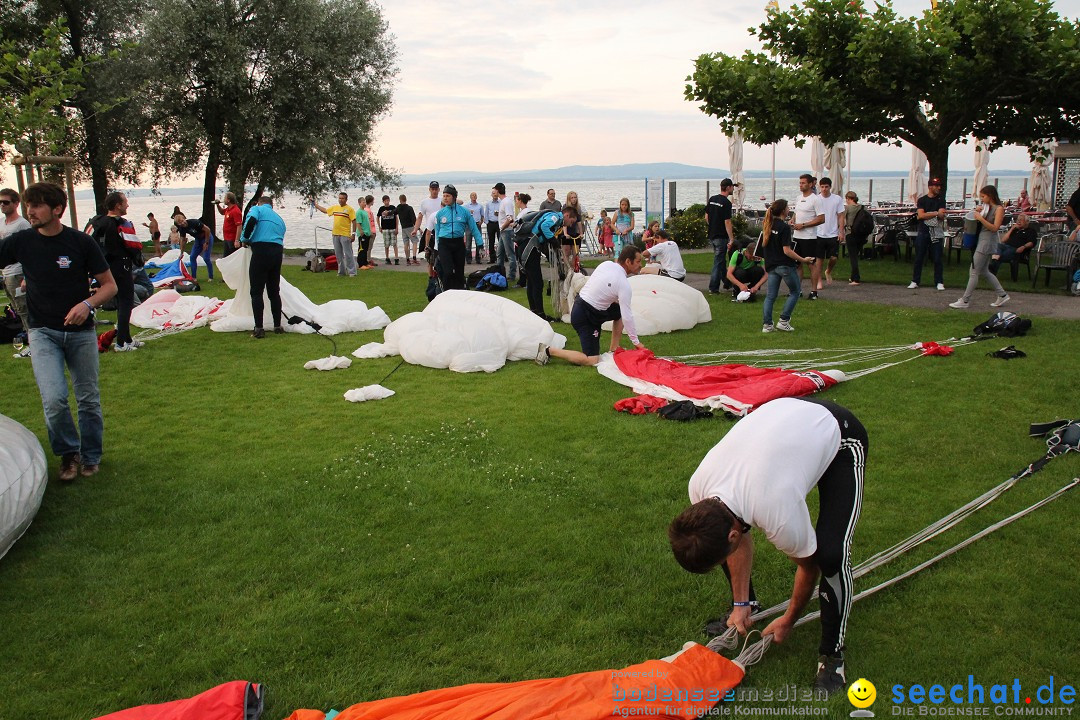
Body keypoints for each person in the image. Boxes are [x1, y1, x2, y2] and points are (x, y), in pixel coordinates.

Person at [667, 396, 868, 694]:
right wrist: (740, 605)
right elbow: (736, 535)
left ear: (733, 536)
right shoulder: (701, 487)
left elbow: (807, 567)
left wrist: (788, 619)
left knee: (831, 556)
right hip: (786, 423)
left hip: (839, 434)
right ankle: (748, 605)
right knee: (722, 543)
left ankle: (832, 654)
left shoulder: (776, 509)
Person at [0, 182, 117, 481]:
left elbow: (109, 286)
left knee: (88, 398)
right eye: (29, 205)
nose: (31, 211)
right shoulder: (22, 241)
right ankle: (68, 454)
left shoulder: (80, 242)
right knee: (53, 399)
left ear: (57, 209)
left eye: (37, 205)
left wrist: (87, 306)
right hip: (42, 332)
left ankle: (91, 456)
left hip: (80, 334)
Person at [537, 244, 645, 366]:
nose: (641, 265)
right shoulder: (623, 284)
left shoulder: (607, 264)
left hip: (586, 307)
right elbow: (628, 317)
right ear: (628, 261)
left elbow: (599, 287)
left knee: (618, 311)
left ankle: (614, 349)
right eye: (638, 261)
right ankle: (548, 350)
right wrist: (636, 343)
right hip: (585, 316)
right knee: (592, 360)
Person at [89, 192, 141, 352]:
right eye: (125, 202)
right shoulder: (122, 224)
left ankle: (128, 339)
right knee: (126, 303)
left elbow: (86, 242)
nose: (127, 205)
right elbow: (135, 247)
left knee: (121, 303)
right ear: (118, 205)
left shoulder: (95, 222)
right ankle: (120, 343)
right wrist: (138, 262)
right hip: (121, 268)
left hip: (100, 269)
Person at [950, 185, 1010, 309]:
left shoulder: (999, 209)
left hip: (987, 241)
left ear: (990, 195)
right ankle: (1002, 294)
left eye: (983, 196)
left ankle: (965, 300)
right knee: (984, 271)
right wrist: (977, 212)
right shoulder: (987, 208)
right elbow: (976, 222)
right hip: (982, 239)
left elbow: (995, 227)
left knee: (974, 271)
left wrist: (981, 218)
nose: (982, 199)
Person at [761, 198, 814, 332]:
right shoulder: (784, 227)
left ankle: (767, 325)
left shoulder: (768, 224)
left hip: (771, 265)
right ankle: (784, 320)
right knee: (795, 291)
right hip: (784, 265)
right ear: (784, 210)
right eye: (788, 207)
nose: (789, 209)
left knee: (771, 295)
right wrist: (803, 260)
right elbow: (787, 250)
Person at [516, 205, 577, 318]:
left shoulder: (555, 219)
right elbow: (544, 227)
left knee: (532, 281)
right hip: (529, 248)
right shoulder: (555, 217)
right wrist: (554, 241)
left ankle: (534, 312)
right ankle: (540, 314)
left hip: (526, 247)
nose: (571, 224)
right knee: (537, 283)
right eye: (572, 221)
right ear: (567, 215)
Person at [239, 196, 287, 338]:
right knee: (274, 291)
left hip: (261, 250)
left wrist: (244, 239)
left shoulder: (256, 209)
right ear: (271, 205)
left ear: (260, 203)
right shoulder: (279, 219)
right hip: (277, 252)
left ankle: (259, 328)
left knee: (256, 291)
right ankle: (277, 325)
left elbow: (251, 221)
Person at [433, 184, 483, 291]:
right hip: (444, 244)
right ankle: (446, 294)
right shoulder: (440, 213)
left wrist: (480, 244)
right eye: (444, 196)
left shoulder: (464, 212)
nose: (445, 198)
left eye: (448, 196)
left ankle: (460, 294)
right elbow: (437, 232)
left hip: (458, 244)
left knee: (459, 272)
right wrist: (437, 248)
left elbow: (474, 228)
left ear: (454, 197)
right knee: (448, 272)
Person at [1, 188, 32, 357]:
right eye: (0, 202)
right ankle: (29, 340)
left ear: (16, 203)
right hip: (6, 274)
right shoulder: (1, 223)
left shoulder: (22, 224)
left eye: (6, 202)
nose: (2, 205)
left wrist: (26, 277)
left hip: (18, 273)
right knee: (17, 310)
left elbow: (29, 251)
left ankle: (33, 344)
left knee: (25, 309)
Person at [908, 178, 947, 291]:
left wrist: (928, 214)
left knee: (937, 258)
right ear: (930, 187)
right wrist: (935, 213)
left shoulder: (941, 200)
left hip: (936, 232)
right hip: (923, 231)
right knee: (919, 257)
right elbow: (920, 216)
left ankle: (939, 281)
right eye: (936, 185)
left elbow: (941, 215)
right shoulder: (922, 200)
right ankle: (915, 280)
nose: (938, 187)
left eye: (939, 185)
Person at [791, 174, 825, 299]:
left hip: (809, 237)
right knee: (797, 264)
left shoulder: (815, 199)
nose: (801, 185)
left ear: (811, 184)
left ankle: (814, 291)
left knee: (811, 264)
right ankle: (797, 290)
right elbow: (796, 213)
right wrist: (792, 220)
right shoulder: (799, 198)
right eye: (800, 183)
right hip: (797, 236)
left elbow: (821, 218)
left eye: (803, 183)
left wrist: (804, 225)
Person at [313, 192, 357, 276]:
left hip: (345, 234)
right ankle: (341, 272)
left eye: (342, 198)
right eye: (339, 198)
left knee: (348, 254)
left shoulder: (349, 209)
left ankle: (352, 272)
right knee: (338, 254)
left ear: (346, 199)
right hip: (335, 234)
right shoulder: (335, 207)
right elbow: (325, 211)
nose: (340, 200)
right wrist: (315, 204)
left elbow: (354, 221)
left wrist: (353, 234)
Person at [705, 179, 735, 293]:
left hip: (712, 234)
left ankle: (727, 282)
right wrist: (731, 238)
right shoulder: (726, 203)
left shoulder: (712, 199)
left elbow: (706, 217)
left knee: (721, 261)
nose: (733, 189)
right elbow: (727, 222)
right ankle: (713, 288)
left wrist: (713, 225)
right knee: (718, 262)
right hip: (721, 236)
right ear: (728, 188)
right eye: (732, 187)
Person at [814, 177, 845, 290]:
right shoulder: (816, 199)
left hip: (833, 233)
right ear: (819, 187)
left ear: (830, 187)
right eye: (822, 187)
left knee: (833, 258)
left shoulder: (837, 199)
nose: (824, 189)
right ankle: (819, 281)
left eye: (826, 187)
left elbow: (841, 216)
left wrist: (841, 231)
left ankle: (828, 271)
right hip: (819, 233)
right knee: (819, 259)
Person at [989, 212, 1037, 279]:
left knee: (1001, 254)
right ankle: (993, 266)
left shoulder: (1031, 231)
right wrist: (1012, 229)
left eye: (1021, 220)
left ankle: (992, 267)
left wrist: (1023, 247)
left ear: (1026, 222)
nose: (1019, 221)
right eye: (1018, 220)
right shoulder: (1015, 230)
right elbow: (1003, 240)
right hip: (1006, 246)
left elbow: (1031, 242)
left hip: (1016, 249)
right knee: (998, 245)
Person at [172, 208, 215, 281]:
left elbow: (207, 230)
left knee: (206, 258)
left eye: (182, 220)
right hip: (198, 240)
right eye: (180, 223)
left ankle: (211, 277)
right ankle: (193, 277)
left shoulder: (194, 222)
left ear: (184, 218)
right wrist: (181, 252)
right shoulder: (182, 229)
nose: (182, 223)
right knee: (192, 257)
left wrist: (206, 242)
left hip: (207, 237)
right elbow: (182, 240)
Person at [843, 191, 872, 285]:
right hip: (862, 234)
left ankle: (856, 278)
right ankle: (853, 276)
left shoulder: (847, 208)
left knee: (853, 257)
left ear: (848, 198)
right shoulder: (863, 207)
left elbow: (843, 220)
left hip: (851, 233)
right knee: (856, 254)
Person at [413, 181, 442, 261]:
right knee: (430, 256)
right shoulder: (424, 202)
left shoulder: (443, 201)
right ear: (429, 189)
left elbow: (458, 202)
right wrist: (415, 229)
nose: (434, 191)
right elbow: (420, 217)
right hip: (430, 230)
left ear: (439, 190)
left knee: (441, 253)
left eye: (436, 189)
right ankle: (430, 273)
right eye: (433, 189)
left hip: (441, 229)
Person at [495, 183, 517, 280]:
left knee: (510, 254)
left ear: (498, 190)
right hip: (503, 231)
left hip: (506, 231)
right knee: (499, 253)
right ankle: (499, 273)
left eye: (495, 190)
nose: (494, 193)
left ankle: (512, 275)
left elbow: (510, 218)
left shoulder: (506, 202)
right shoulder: (503, 202)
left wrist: (502, 227)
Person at [509, 193, 532, 287]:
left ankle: (527, 280)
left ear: (521, 201)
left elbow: (522, 225)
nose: (516, 203)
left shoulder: (526, 212)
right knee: (520, 261)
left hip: (523, 239)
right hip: (519, 239)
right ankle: (522, 281)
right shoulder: (522, 212)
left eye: (517, 201)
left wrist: (513, 224)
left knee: (524, 261)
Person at [215, 192, 243, 257]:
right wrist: (218, 205)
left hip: (232, 239)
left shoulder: (235, 211)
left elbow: (239, 226)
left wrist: (237, 240)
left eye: (225, 198)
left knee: (232, 258)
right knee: (226, 258)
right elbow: (222, 212)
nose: (223, 199)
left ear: (228, 200)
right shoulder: (228, 209)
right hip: (227, 238)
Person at [463, 191, 486, 263]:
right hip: (469, 225)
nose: (474, 196)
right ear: (470, 197)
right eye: (472, 195)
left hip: (477, 224)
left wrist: (481, 222)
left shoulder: (480, 206)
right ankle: (468, 259)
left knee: (478, 242)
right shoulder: (466, 206)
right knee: (468, 243)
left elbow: (482, 215)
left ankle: (478, 258)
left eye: (475, 195)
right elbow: (464, 215)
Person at [378, 195, 400, 266]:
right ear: (383, 201)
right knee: (386, 244)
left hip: (392, 228)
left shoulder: (392, 208)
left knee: (394, 243)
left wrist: (397, 227)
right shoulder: (381, 208)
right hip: (385, 228)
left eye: (387, 200)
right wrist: (379, 226)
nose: (386, 202)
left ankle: (396, 258)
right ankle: (387, 258)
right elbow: (377, 217)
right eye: (385, 201)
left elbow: (396, 218)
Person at [396, 194, 418, 265]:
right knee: (415, 241)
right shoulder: (409, 208)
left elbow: (393, 212)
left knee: (406, 243)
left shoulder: (399, 208)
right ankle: (414, 258)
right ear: (406, 199)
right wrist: (418, 228)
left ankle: (407, 259)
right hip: (410, 227)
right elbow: (413, 219)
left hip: (403, 228)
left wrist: (387, 213)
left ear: (400, 200)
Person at [485, 187, 502, 264]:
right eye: (493, 194)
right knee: (491, 241)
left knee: (501, 240)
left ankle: (502, 257)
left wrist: (499, 214)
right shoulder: (488, 203)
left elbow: (503, 212)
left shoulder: (501, 202)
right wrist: (486, 222)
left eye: (496, 193)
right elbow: (486, 213)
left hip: (499, 223)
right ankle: (492, 258)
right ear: (491, 195)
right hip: (491, 223)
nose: (495, 195)